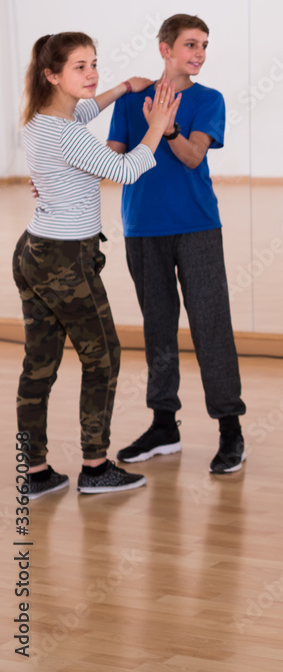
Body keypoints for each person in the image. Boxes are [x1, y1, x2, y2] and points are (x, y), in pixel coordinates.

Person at [15, 32, 179, 498]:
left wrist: (122, 88)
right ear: (52, 75)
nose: (92, 74)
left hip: (34, 251)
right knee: (103, 357)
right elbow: (125, 169)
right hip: (65, 258)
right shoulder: (65, 135)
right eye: (80, 68)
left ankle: (36, 471)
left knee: (39, 364)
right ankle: (95, 466)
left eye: (94, 64)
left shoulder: (41, 121)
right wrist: (158, 123)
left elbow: (86, 110)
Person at [107, 15, 247, 474]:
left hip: (197, 227)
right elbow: (112, 158)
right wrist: (58, 172)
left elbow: (190, 157)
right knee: (158, 329)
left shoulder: (209, 100)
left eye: (204, 45)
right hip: (143, 228)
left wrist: (166, 128)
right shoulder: (130, 102)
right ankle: (164, 425)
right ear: (165, 48)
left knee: (211, 325)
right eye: (190, 44)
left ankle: (231, 430)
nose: (200, 53)